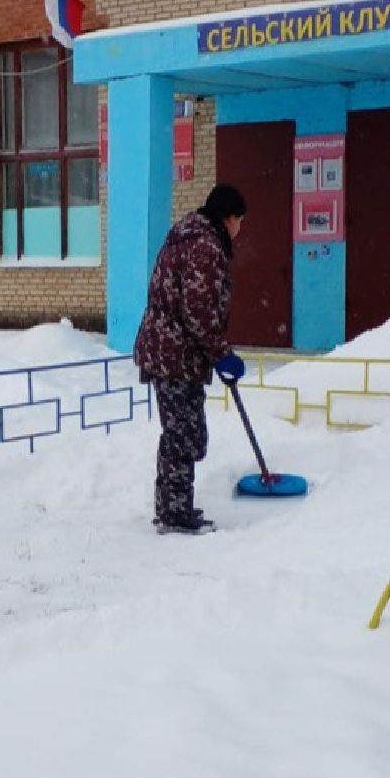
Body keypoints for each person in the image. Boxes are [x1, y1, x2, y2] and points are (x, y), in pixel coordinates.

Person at [133, 183, 247, 535]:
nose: (239, 228)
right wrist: (221, 353)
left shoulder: (186, 235)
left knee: (181, 433)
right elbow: (197, 310)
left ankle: (172, 508)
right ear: (228, 218)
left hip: (168, 350)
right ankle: (175, 513)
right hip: (175, 355)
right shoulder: (205, 246)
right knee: (184, 435)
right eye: (239, 220)